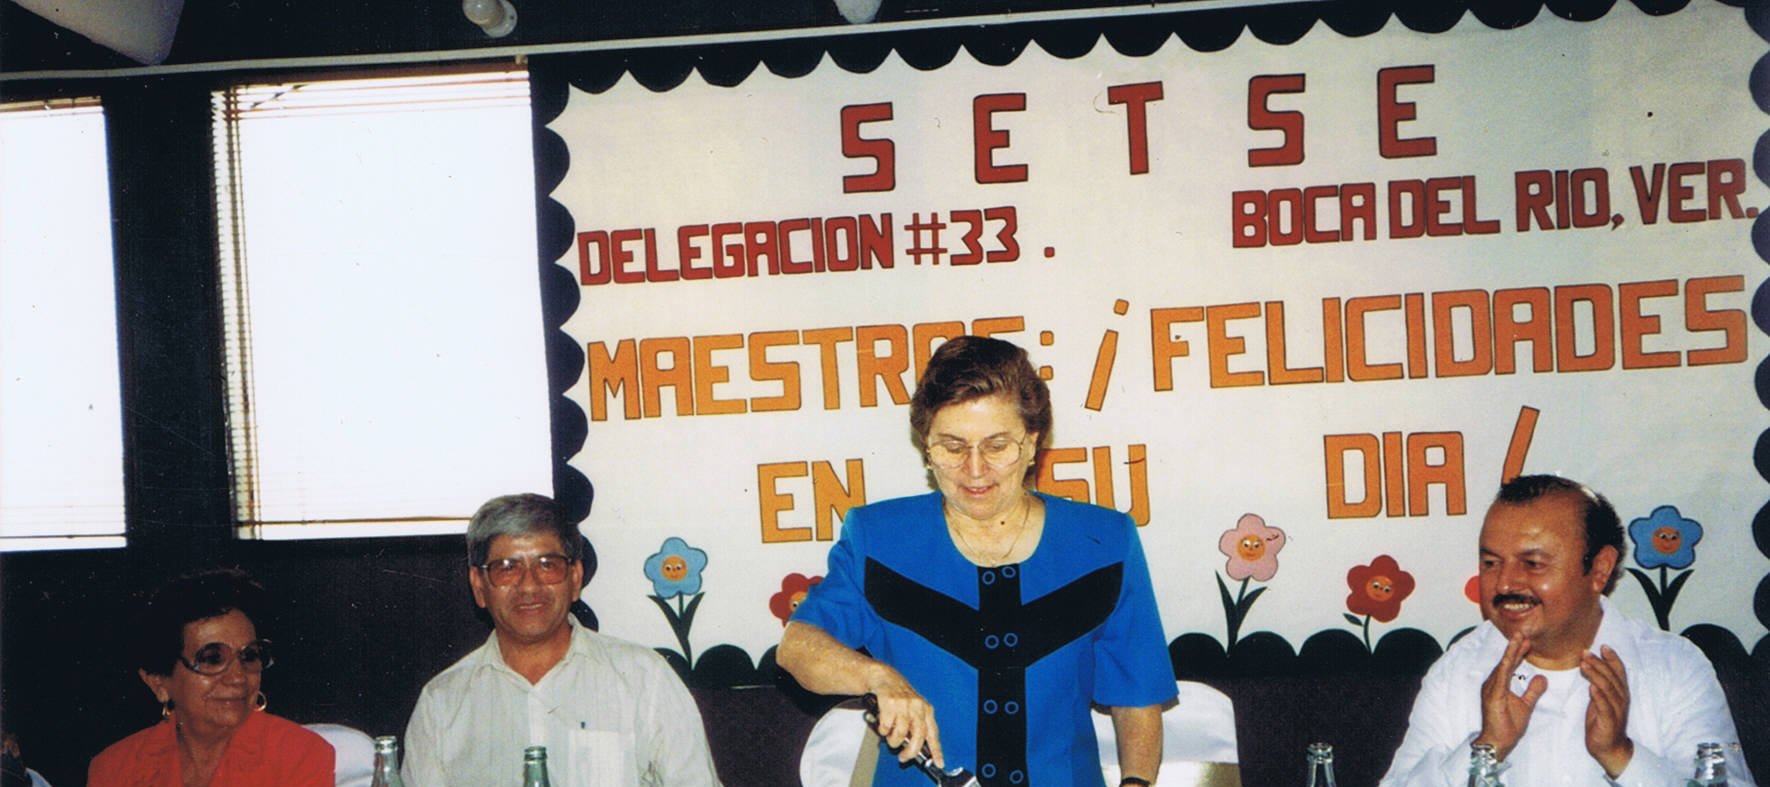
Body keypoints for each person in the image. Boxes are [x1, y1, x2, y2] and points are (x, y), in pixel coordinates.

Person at [778, 335, 1176, 787]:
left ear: (1033, 441)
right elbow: (798, 647)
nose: (975, 469)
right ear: (926, 446)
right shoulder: (877, 537)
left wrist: (1136, 783)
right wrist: (877, 677)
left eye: (997, 446)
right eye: (952, 447)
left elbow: (1136, 696)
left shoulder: (1105, 541)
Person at [1379, 474, 1756, 786]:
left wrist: (1622, 756)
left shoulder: (1674, 667)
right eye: (1491, 562)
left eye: (1533, 563)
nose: (1505, 583)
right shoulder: (1458, 671)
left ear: (1599, 569)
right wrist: (1485, 747)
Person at [401, 493, 722, 786]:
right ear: (479, 586)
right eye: (507, 568)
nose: (529, 585)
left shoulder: (644, 679)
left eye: (547, 565)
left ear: (576, 578)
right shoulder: (442, 704)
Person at [88, 568, 333, 787]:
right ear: (159, 682)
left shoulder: (298, 755)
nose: (238, 678)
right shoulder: (115, 768)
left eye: (249, 656)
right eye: (212, 659)